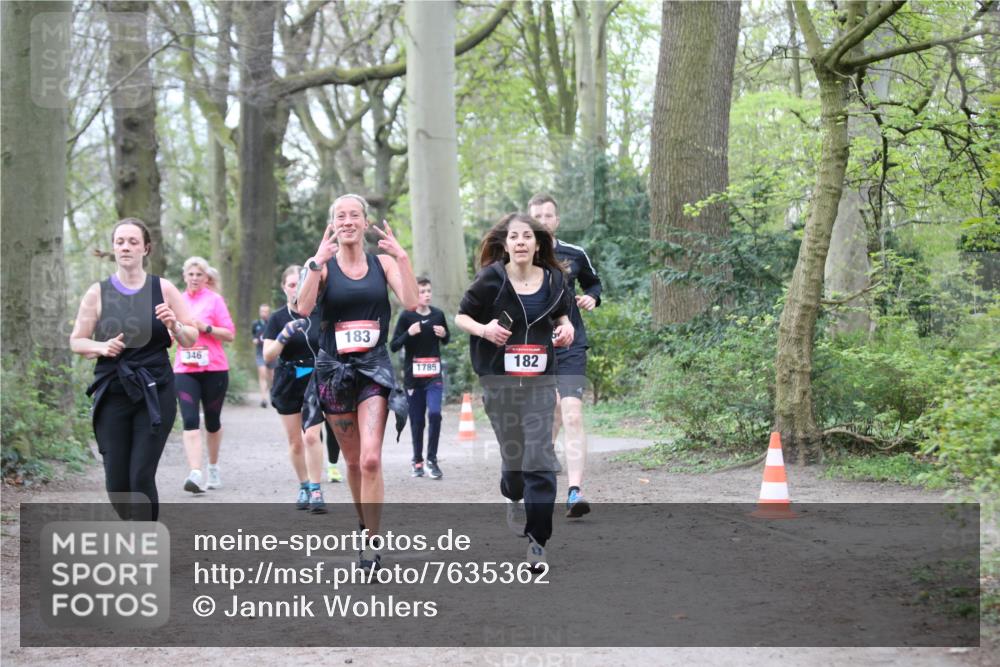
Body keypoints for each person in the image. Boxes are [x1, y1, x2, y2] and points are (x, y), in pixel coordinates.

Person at [297, 193, 418, 571]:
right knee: (351, 461)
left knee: (369, 459)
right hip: (334, 369)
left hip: (373, 368)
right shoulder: (322, 265)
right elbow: (302, 308)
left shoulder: (381, 264)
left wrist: (402, 257)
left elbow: (412, 302)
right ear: (333, 224)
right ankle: (364, 525)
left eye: (354, 215)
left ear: (365, 223)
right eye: (340, 216)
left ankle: (372, 543)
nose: (347, 221)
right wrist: (317, 263)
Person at [455, 212, 574, 573]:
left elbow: (563, 316)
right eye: (514, 237)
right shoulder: (491, 279)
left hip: (539, 381)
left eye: (527, 236)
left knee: (539, 456)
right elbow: (461, 316)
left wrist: (565, 329)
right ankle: (512, 493)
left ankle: (538, 540)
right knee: (514, 460)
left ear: (538, 244)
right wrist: (484, 330)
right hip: (499, 380)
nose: (520, 242)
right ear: (504, 245)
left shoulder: (554, 280)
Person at [70, 218, 199, 520]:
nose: (126, 247)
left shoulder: (163, 289)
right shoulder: (97, 293)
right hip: (113, 390)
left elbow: (190, 338)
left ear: (146, 248)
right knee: (117, 483)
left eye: (133, 242)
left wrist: (173, 324)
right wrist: (101, 347)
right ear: (114, 249)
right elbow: (76, 340)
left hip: (155, 391)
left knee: (141, 476)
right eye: (120, 242)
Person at [528, 193, 602, 518]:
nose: (544, 221)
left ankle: (574, 492)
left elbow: (595, 285)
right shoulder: (519, 258)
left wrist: (592, 299)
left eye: (548, 216)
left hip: (572, 344)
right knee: (553, 412)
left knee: (572, 413)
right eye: (537, 217)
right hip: (537, 349)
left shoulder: (574, 254)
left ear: (556, 220)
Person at [263, 266, 332, 512]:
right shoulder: (278, 318)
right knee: (295, 442)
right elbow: (267, 354)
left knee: (312, 435)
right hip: (288, 380)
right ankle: (303, 485)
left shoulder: (319, 313)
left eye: (299, 284)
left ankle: (316, 489)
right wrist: (284, 335)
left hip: (315, 379)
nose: (295, 289)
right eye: (291, 284)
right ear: (284, 288)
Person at [175, 256, 236, 493]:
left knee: (212, 423)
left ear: (206, 278)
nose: (194, 278)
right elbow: (170, 334)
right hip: (185, 370)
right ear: (184, 276)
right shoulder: (177, 301)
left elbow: (229, 334)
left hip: (214, 369)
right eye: (190, 274)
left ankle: (212, 467)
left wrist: (205, 328)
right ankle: (195, 472)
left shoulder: (215, 301)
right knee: (189, 420)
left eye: (199, 274)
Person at [390, 277, 451, 479]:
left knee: (434, 414)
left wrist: (443, 334)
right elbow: (394, 345)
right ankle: (417, 460)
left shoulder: (438, 315)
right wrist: (408, 333)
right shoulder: (406, 316)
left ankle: (432, 460)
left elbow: (447, 339)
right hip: (413, 378)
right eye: (422, 291)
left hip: (433, 375)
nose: (426, 295)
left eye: (428, 291)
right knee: (417, 420)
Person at [252, 303, 276, 408]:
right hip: (260, 353)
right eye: (262, 311)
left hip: (271, 352)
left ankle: (274, 395)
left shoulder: (272, 323)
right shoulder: (256, 324)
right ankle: (263, 399)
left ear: (269, 312)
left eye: (266, 311)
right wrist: (255, 340)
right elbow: (253, 336)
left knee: (272, 377)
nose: (264, 313)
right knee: (262, 374)